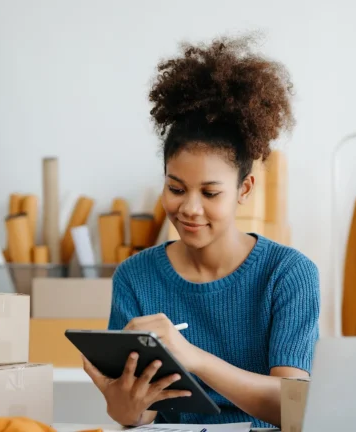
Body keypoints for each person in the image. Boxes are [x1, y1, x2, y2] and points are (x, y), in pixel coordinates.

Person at [81, 34, 320, 429]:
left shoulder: (288, 274)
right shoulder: (136, 277)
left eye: (210, 192)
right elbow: (134, 417)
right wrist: (123, 403)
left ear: (244, 190)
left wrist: (191, 357)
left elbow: (293, 407)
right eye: (175, 189)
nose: (189, 208)